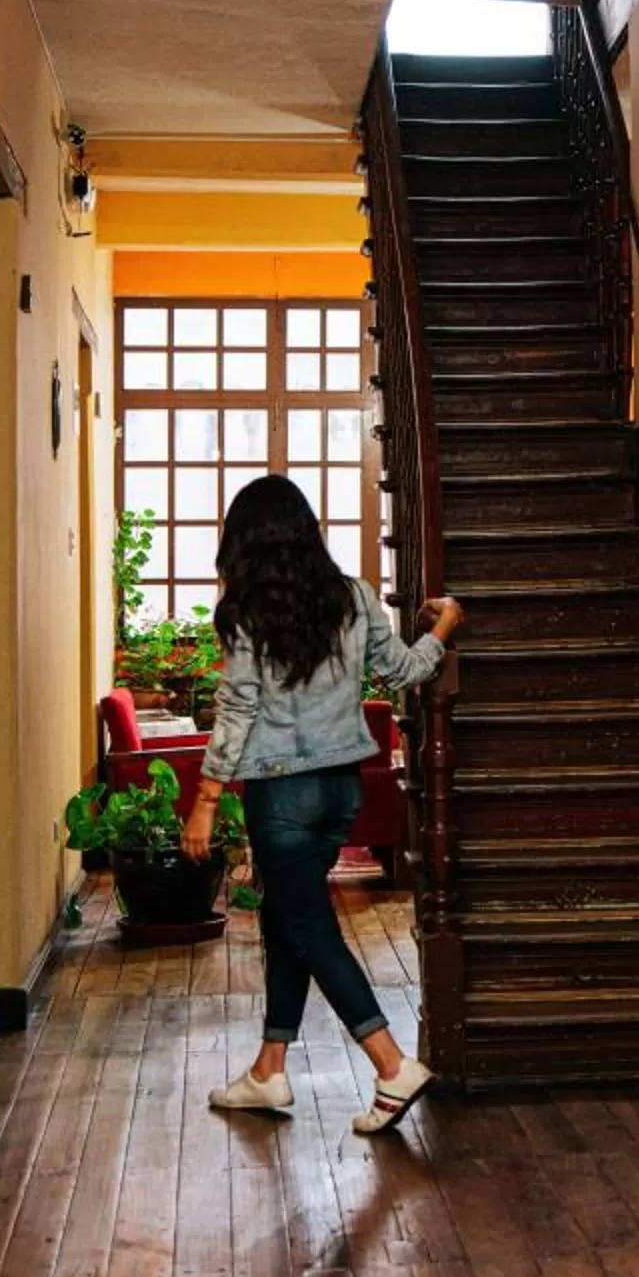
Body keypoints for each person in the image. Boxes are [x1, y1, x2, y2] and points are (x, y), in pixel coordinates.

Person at [183, 474, 462, 1135]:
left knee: (309, 928)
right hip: (342, 786)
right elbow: (403, 672)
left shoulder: (247, 609)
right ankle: (268, 1070)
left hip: (280, 793)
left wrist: (205, 799)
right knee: (288, 918)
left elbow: (238, 707)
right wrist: (444, 625)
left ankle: (391, 1065)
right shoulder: (355, 597)